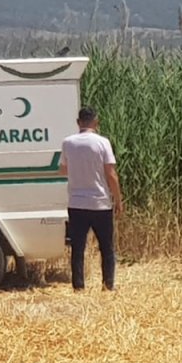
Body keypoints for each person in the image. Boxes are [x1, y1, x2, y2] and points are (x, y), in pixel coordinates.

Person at [60, 107, 123, 290]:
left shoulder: (68, 143)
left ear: (78, 122)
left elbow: (63, 169)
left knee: (78, 248)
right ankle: (107, 285)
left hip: (76, 203)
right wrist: (118, 199)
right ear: (96, 122)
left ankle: (79, 286)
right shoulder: (102, 143)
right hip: (100, 203)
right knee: (106, 247)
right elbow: (111, 174)